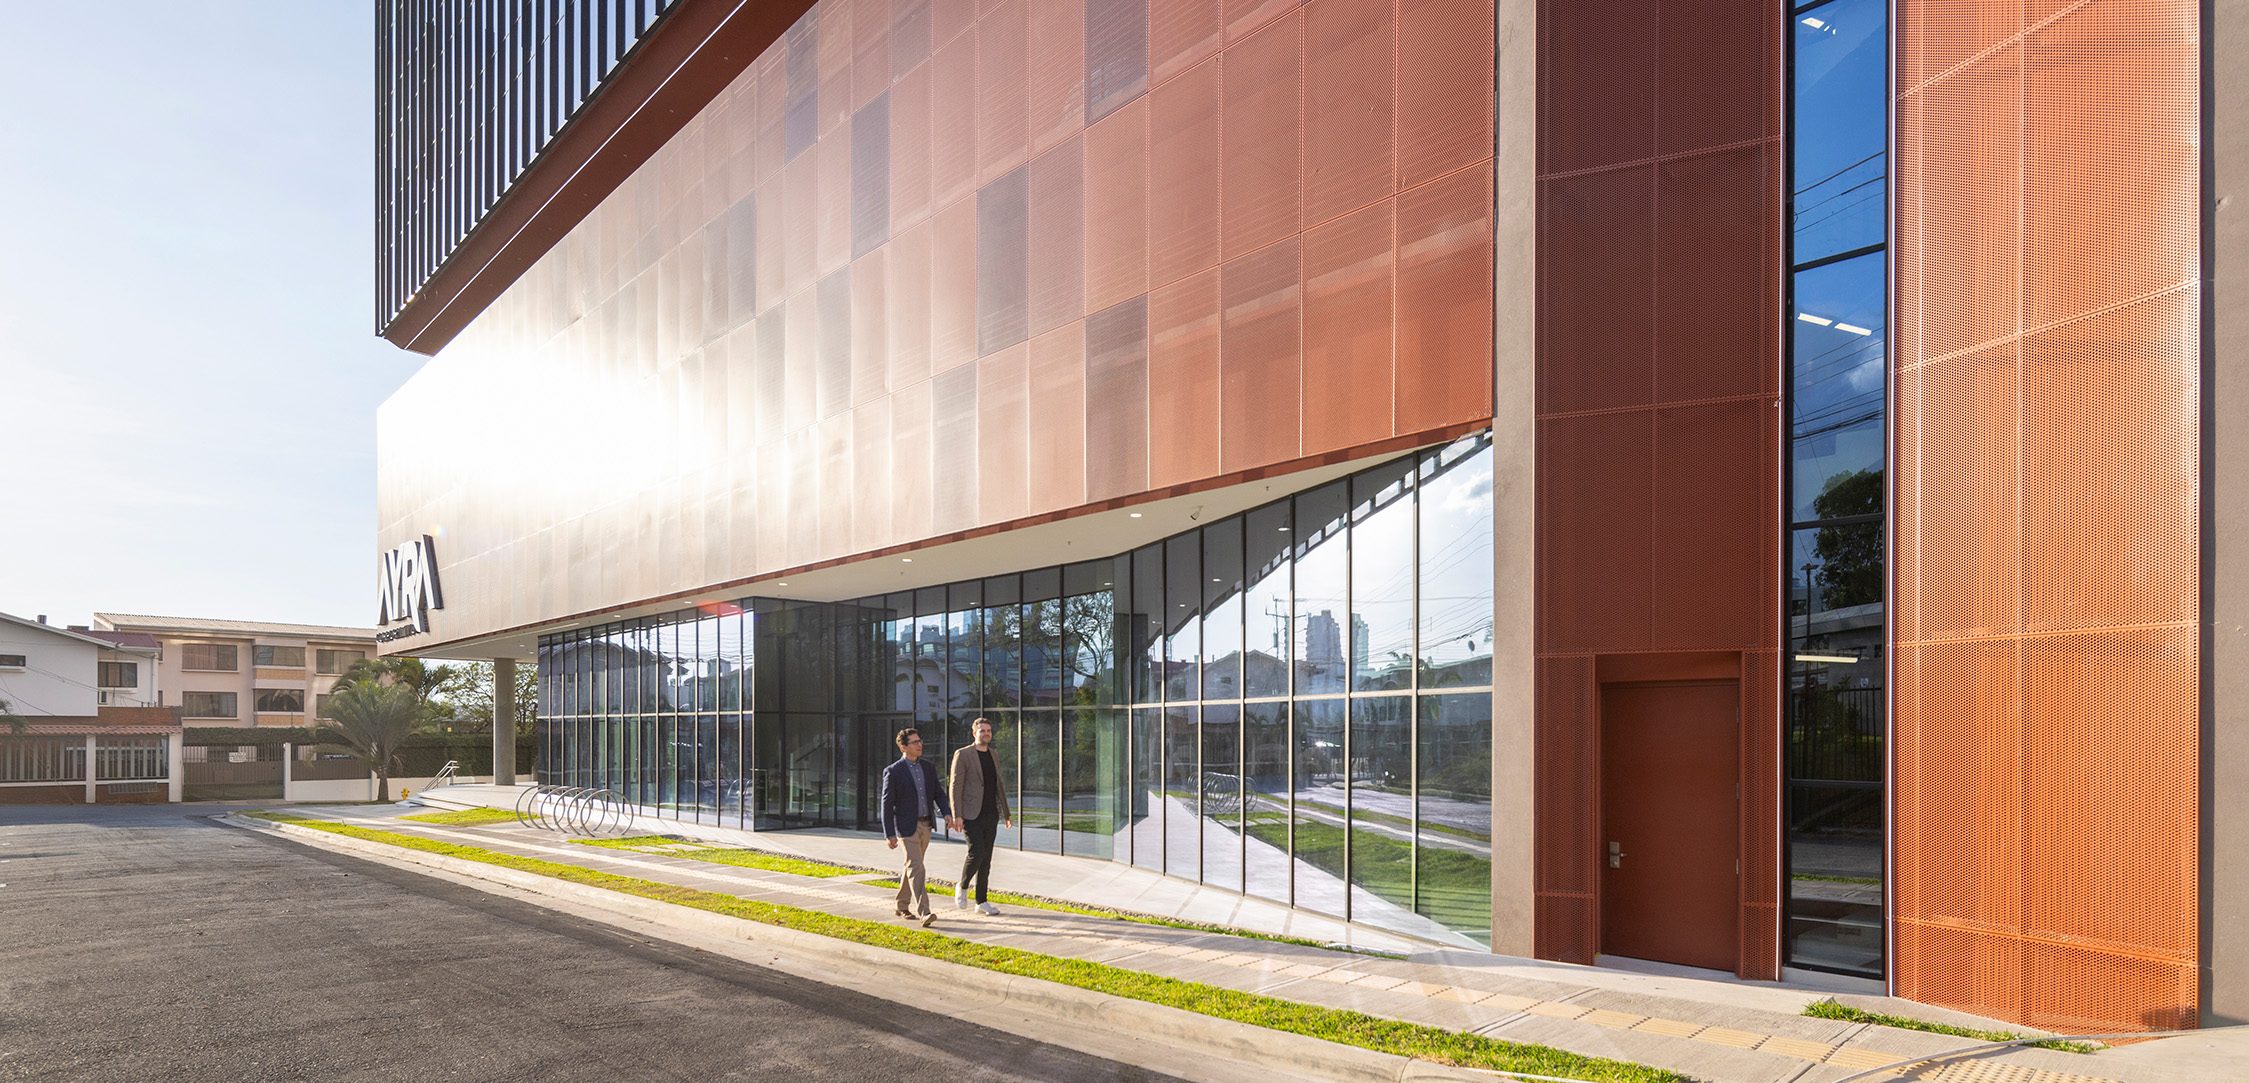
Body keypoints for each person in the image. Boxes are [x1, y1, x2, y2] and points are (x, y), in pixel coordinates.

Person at [879, 726, 955, 926]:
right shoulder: (893, 771)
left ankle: (901, 905)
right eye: (915, 742)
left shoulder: (928, 768)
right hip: (906, 827)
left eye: (920, 741)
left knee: (912, 865)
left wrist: (946, 813)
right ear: (903, 747)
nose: (920, 745)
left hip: (926, 824)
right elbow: (886, 805)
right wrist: (889, 834)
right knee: (917, 867)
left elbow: (938, 793)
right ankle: (925, 911)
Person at [947, 717, 1012, 914]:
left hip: (991, 813)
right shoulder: (963, 754)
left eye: (988, 731)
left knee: (987, 858)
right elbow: (955, 785)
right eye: (982, 730)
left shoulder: (994, 754)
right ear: (974, 733)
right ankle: (963, 885)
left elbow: (998, 784)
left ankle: (981, 901)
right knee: (977, 852)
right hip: (970, 814)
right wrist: (957, 814)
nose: (986, 734)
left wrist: (1006, 813)